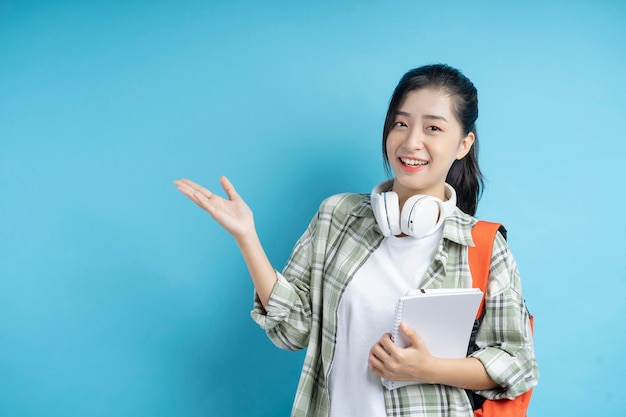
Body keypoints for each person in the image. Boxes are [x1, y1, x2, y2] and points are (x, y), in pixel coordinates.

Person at [174, 64, 539, 417]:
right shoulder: (338, 215)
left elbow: (517, 363)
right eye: (401, 123)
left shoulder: (483, 246)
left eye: (433, 128)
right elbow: (292, 330)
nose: (411, 141)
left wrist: (428, 368)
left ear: (463, 143)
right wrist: (246, 237)